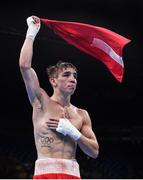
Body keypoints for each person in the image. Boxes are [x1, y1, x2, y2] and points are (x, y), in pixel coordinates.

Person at [19, 15, 99, 179]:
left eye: (75, 76)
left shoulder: (82, 114)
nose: (73, 79)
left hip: (72, 174)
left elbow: (94, 152)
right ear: (53, 81)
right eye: (67, 75)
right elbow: (24, 66)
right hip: (45, 174)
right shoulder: (40, 100)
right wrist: (32, 32)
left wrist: (73, 133)